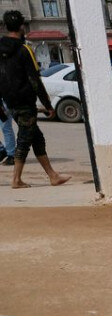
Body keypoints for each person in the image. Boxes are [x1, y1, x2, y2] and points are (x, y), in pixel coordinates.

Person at [0, 10, 68, 188]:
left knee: (36, 138)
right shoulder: (25, 50)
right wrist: (47, 105)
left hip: (9, 101)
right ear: (22, 26)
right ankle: (16, 180)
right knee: (24, 139)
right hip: (24, 102)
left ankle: (53, 175)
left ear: (5, 26)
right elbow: (34, 80)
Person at [0, 99, 14, 164]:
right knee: (7, 128)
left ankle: (11, 155)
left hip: (3, 102)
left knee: (6, 128)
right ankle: (2, 150)